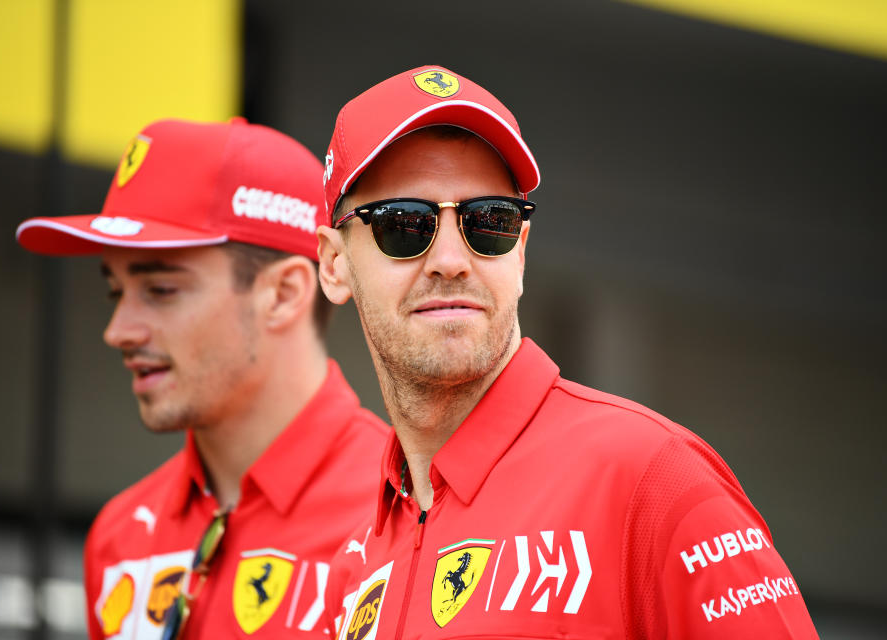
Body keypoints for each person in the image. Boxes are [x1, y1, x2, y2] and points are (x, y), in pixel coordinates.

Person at [315, 66, 819, 639]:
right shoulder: (353, 566)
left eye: (490, 222)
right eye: (404, 225)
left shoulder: (655, 478)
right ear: (334, 265)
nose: (452, 259)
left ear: (521, 251)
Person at [16, 117, 389, 639]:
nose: (117, 331)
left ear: (282, 295)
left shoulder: (403, 515)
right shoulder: (119, 537)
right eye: (115, 292)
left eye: (161, 290)